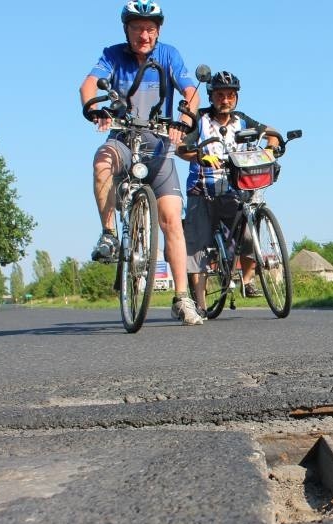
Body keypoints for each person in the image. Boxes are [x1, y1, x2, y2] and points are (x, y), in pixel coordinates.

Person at [79, 0, 204, 325]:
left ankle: (181, 298)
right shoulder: (113, 54)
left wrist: (185, 117)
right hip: (122, 138)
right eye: (137, 29)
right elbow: (88, 84)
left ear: (158, 31)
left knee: (171, 220)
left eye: (149, 29)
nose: (143, 35)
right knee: (101, 161)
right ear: (127, 31)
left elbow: (191, 90)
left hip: (159, 142)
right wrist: (94, 107)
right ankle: (108, 233)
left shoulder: (169, 55)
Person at [177, 70, 280, 315]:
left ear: (236, 98)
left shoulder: (241, 120)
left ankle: (247, 281)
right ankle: (199, 306)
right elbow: (181, 148)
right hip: (202, 190)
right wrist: (201, 156)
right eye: (220, 95)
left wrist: (270, 149)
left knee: (247, 233)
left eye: (231, 95)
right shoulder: (200, 120)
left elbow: (272, 133)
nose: (226, 100)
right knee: (197, 246)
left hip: (234, 189)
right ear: (211, 96)